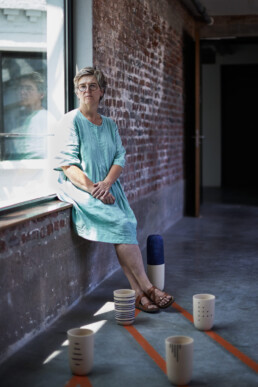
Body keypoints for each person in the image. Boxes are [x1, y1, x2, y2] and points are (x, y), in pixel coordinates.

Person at [53, 67, 174, 313]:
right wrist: (94, 189)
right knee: (122, 224)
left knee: (127, 223)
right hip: (80, 185)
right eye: (82, 86)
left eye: (92, 86)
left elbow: (120, 156)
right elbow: (67, 165)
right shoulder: (70, 120)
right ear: (77, 92)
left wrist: (107, 183)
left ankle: (139, 294)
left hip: (108, 184)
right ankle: (149, 288)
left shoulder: (109, 124)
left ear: (102, 92)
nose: (87, 90)